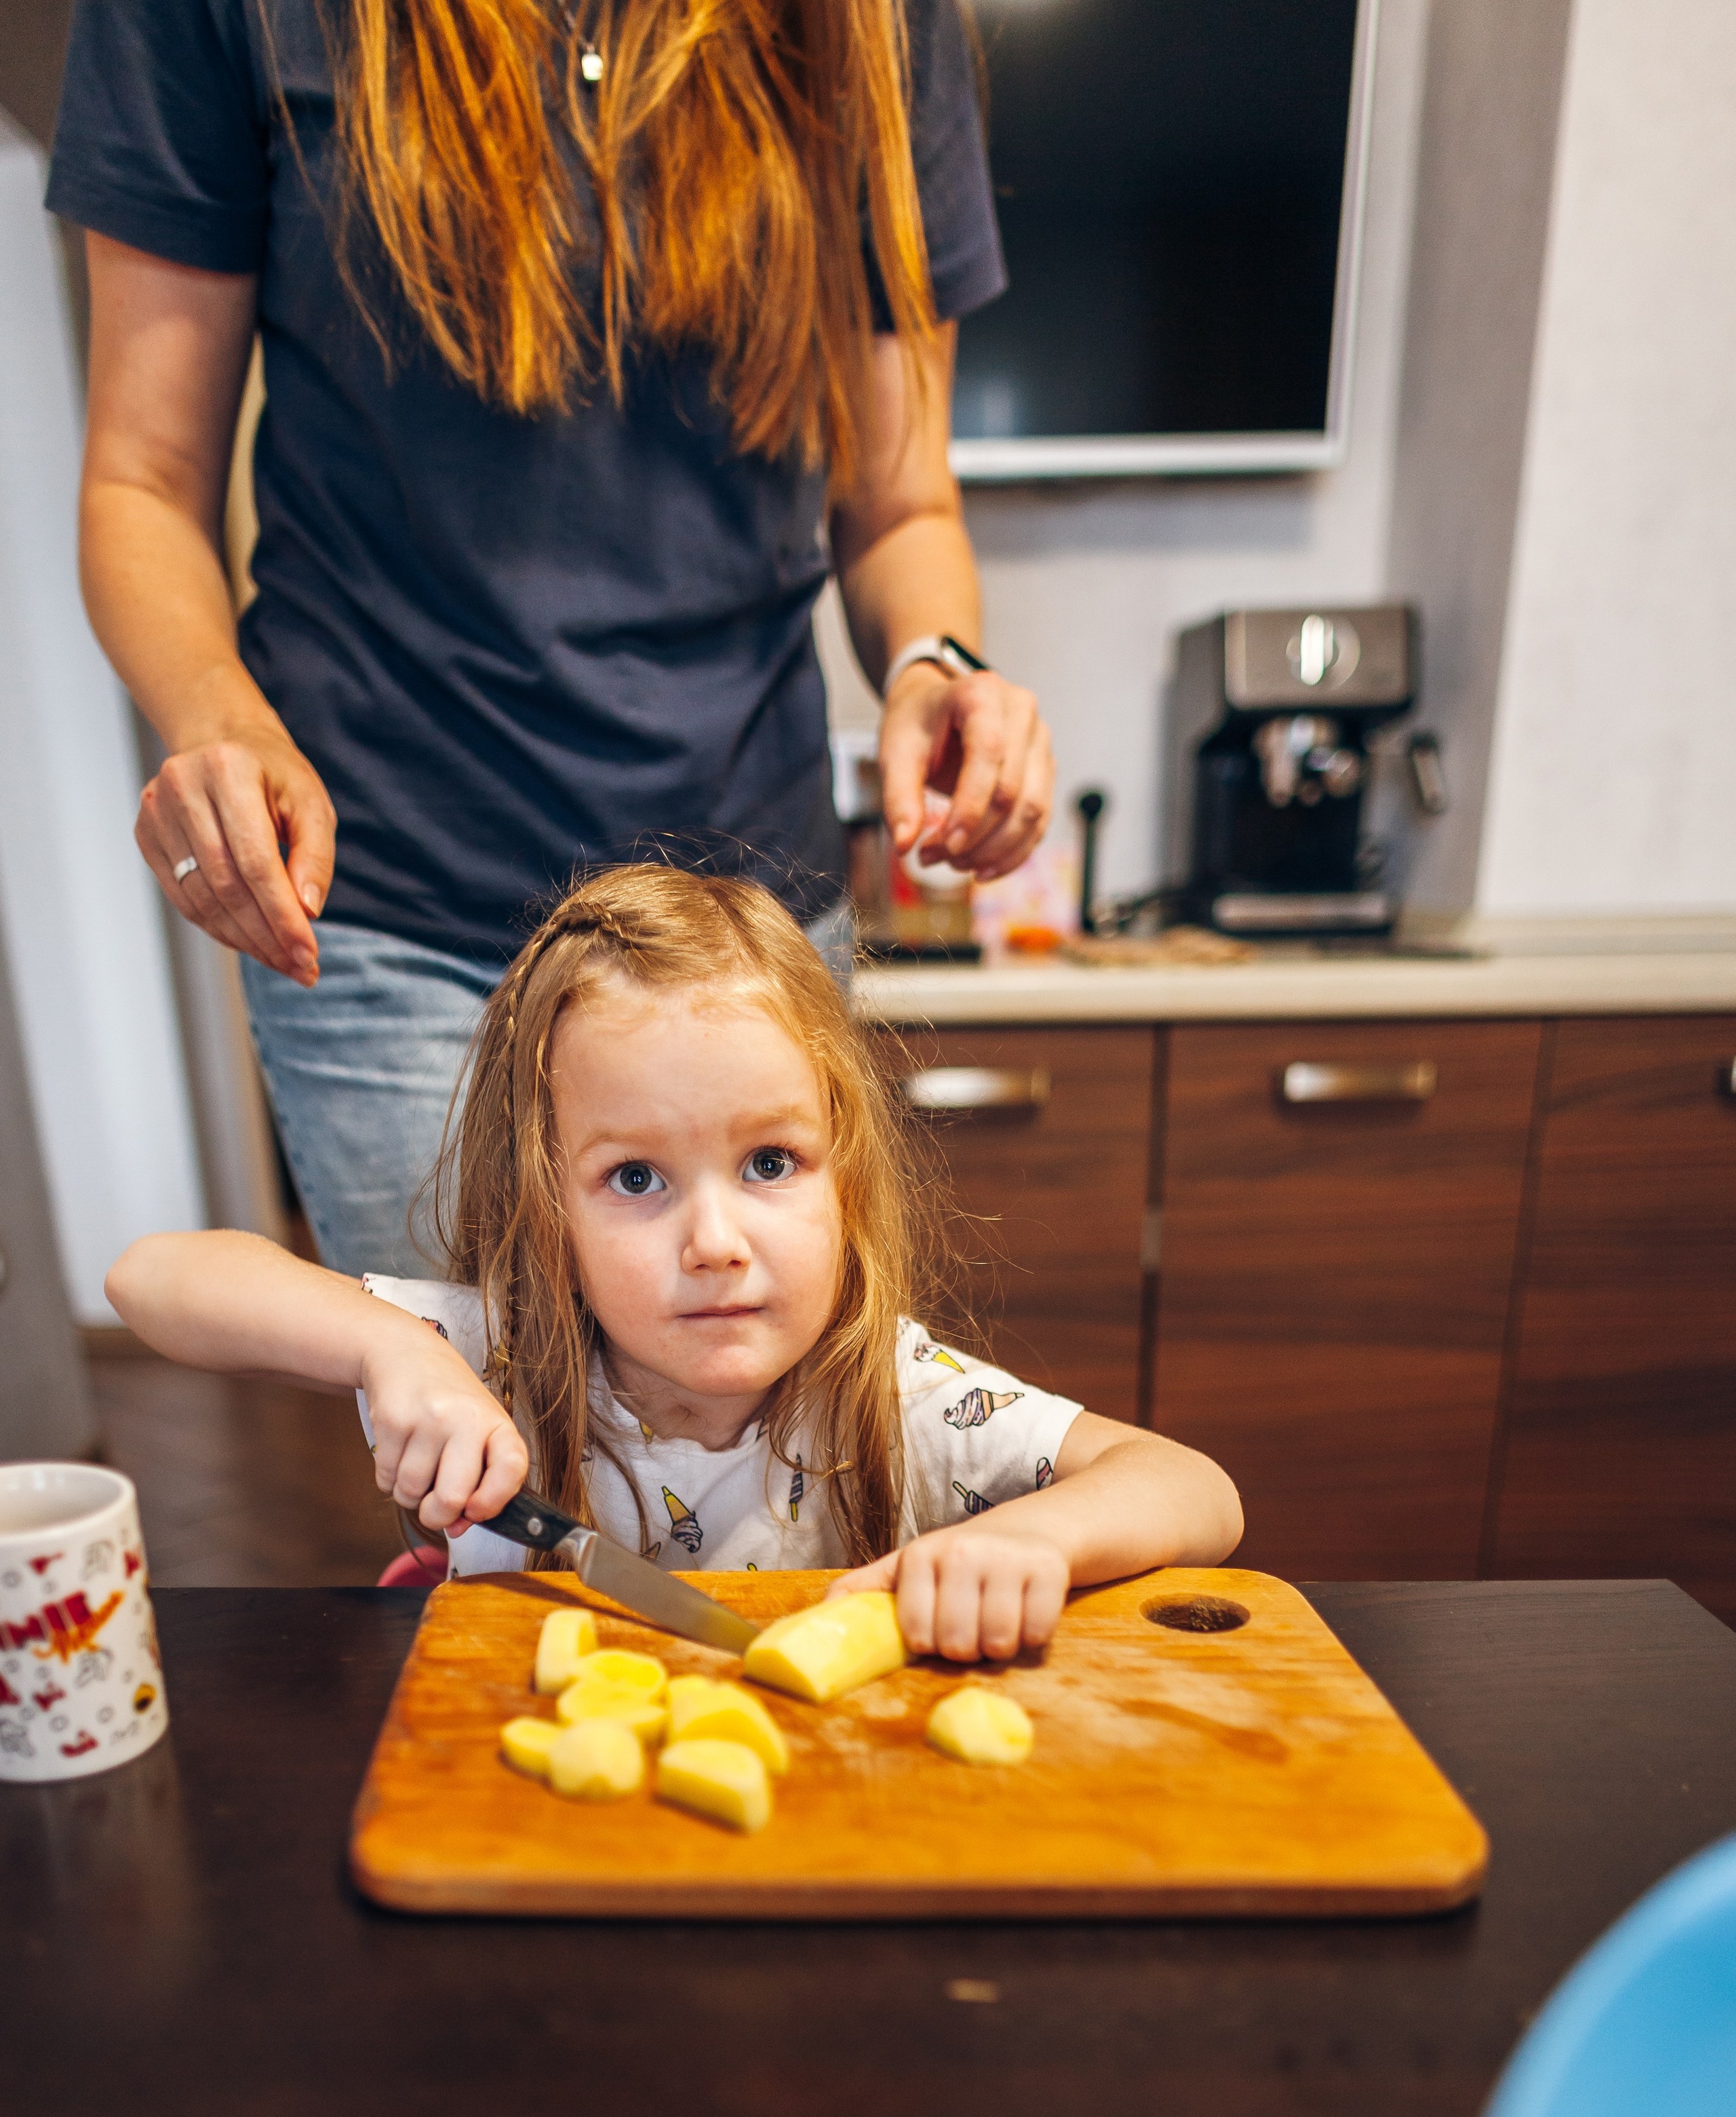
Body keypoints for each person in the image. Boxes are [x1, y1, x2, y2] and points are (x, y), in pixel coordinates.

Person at [49, 0, 1055, 1275]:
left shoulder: (876, 23)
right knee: (479, 1452)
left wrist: (934, 661)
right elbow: (142, 480)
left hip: (748, 915)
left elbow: (902, 503)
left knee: (752, 1449)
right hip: (398, 909)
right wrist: (218, 715)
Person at [106, 869, 1240, 1657]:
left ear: (847, 1169)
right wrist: (388, 1349)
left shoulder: (901, 1395)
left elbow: (1199, 1491)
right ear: (549, 1203)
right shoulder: (495, 1354)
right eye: (637, 1180)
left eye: (771, 1162)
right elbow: (151, 1280)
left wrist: (1029, 1537)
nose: (715, 1243)